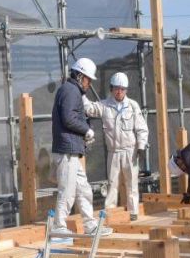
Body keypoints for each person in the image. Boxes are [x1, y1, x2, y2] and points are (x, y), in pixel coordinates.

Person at [50, 57, 112, 236]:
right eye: (87, 79)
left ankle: (90, 225)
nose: (89, 83)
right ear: (79, 76)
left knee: (83, 189)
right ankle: (59, 227)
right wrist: (86, 130)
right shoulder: (70, 91)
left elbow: (71, 118)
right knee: (67, 190)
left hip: (71, 149)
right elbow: (69, 118)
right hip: (67, 150)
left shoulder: (72, 91)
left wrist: (83, 135)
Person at [83, 72, 149, 220]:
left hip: (130, 152)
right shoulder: (104, 106)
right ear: (111, 89)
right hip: (113, 152)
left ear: (126, 90)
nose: (119, 91)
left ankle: (133, 213)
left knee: (132, 183)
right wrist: (80, 92)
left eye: (122, 89)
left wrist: (141, 147)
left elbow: (141, 128)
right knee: (112, 184)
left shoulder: (132, 106)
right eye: (116, 88)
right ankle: (110, 214)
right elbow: (89, 108)